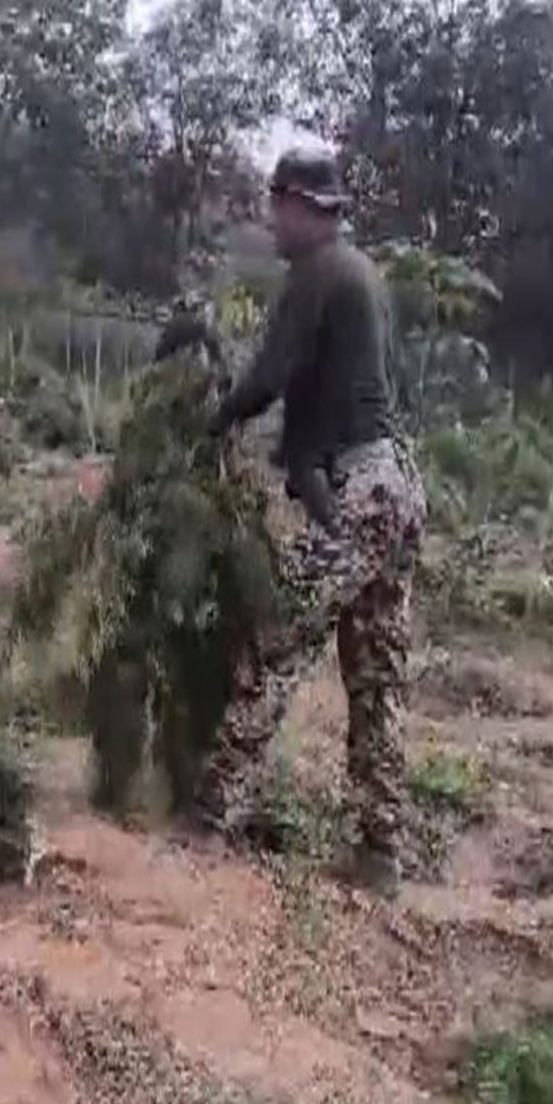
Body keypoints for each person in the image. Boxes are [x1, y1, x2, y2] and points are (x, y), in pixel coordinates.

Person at [197, 148, 426, 898]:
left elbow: (268, 379)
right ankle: (379, 852)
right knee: (375, 674)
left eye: (276, 207)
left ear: (302, 205)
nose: (271, 223)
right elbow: (327, 397)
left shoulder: (319, 272)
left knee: (276, 641)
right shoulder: (358, 273)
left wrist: (213, 422)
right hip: (393, 483)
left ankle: (213, 815)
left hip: (363, 488)